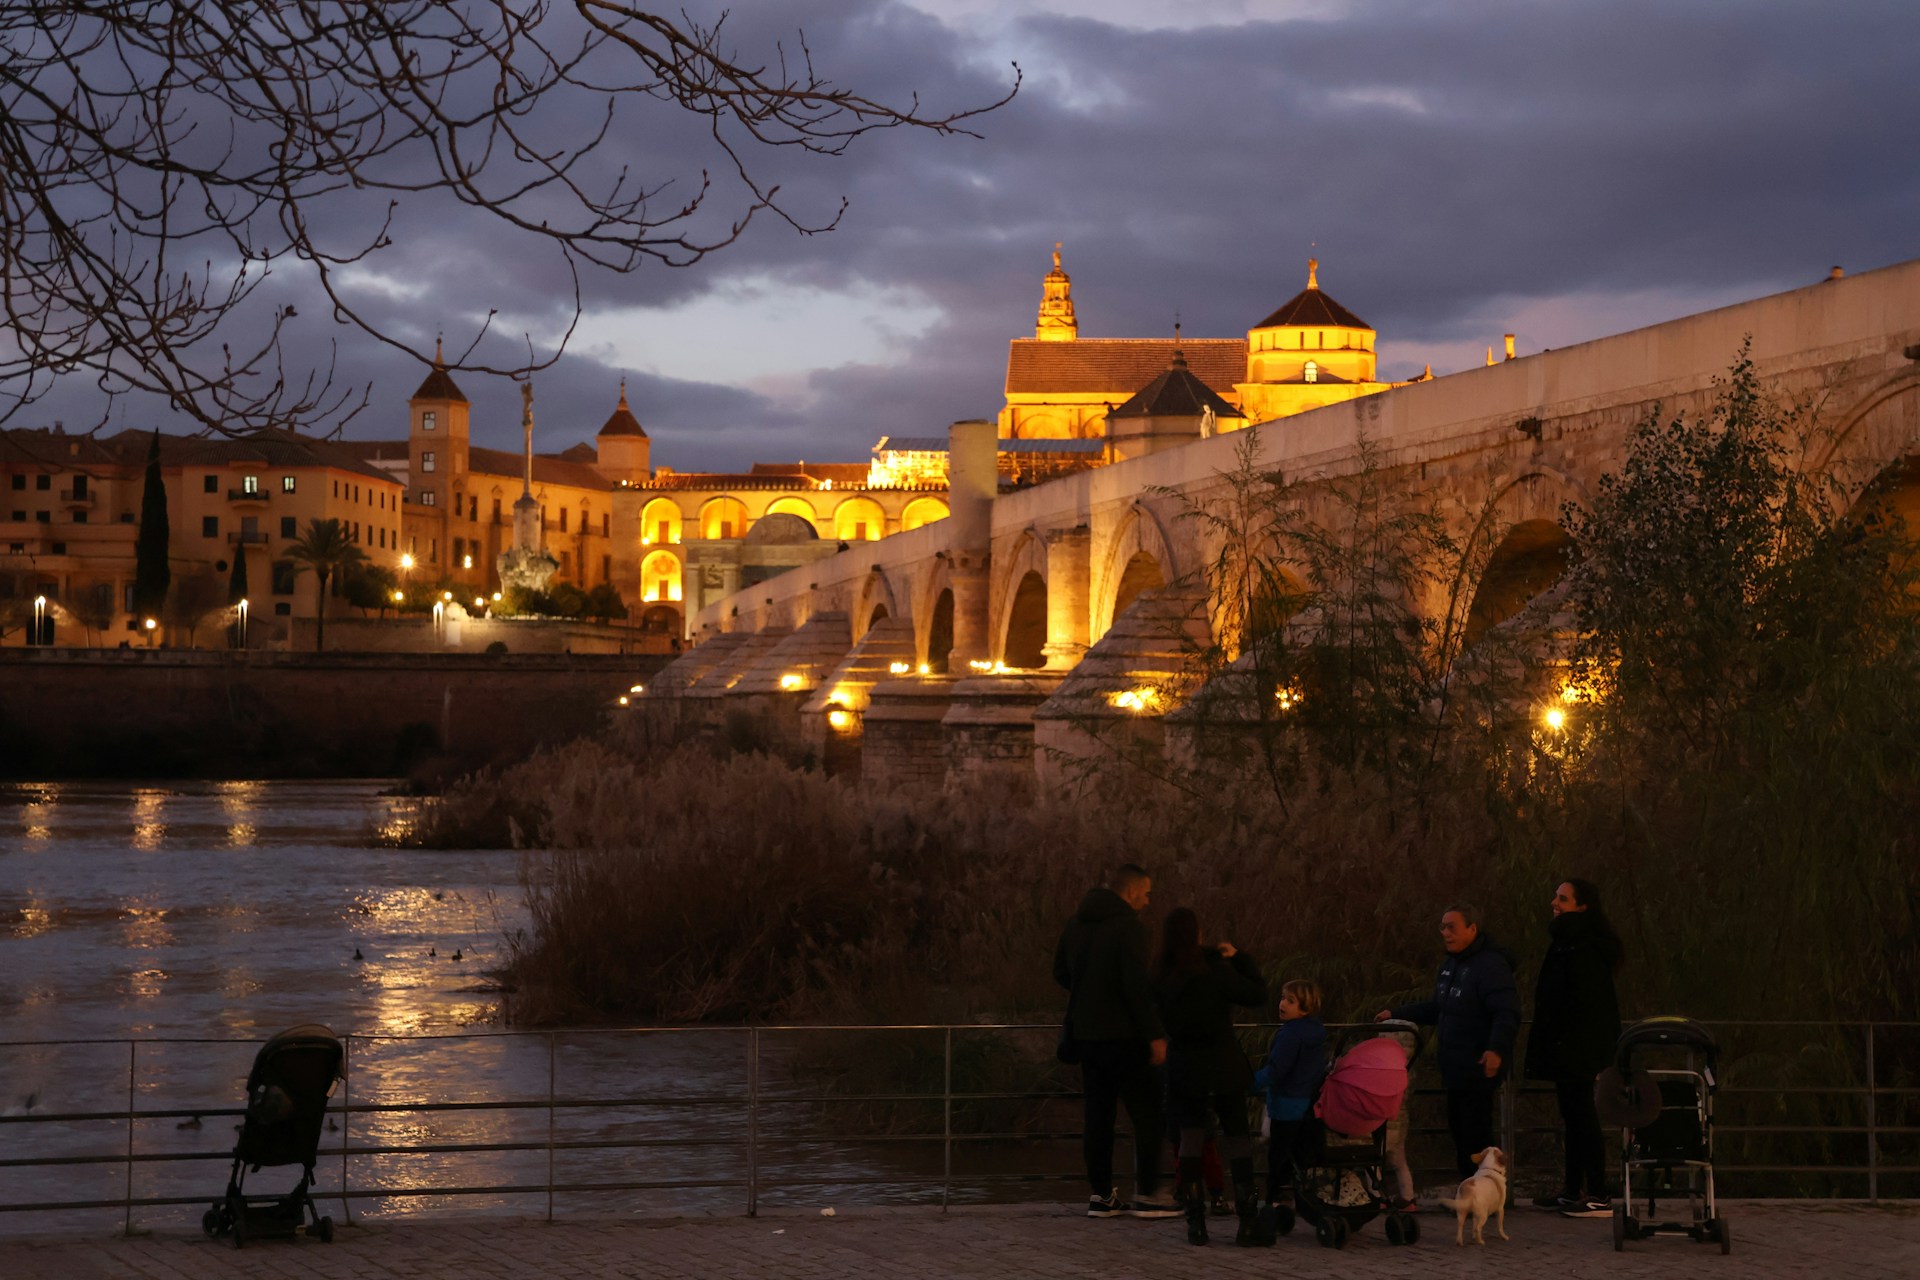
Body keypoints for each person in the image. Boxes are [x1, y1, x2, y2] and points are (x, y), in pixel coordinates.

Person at [1054, 863, 1177, 1219]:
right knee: (1148, 1113)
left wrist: (1090, 995)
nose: (1149, 900)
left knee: (1097, 1116)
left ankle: (1101, 1195)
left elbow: (1060, 972)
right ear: (1131, 891)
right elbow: (1135, 987)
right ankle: (1151, 1194)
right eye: (1147, 892)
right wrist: (1155, 1034)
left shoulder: (1075, 924)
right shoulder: (1130, 929)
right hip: (1126, 1037)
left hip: (1087, 1036)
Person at [1153, 906, 1268, 1246]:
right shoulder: (1215, 971)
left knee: (1190, 1137)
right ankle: (1247, 1222)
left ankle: (1195, 1223)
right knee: (1237, 1136)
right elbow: (1256, 994)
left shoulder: (1160, 976)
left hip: (1186, 1066)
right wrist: (1240, 958)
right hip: (1223, 1062)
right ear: (1198, 935)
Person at [1378, 904, 1520, 1178]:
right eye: (1442, 927)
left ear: (1472, 929)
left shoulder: (1490, 966)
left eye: (1451, 927)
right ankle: (1469, 1185)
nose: (1445, 933)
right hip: (1454, 1064)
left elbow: (1506, 1011)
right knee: (1458, 1126)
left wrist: (1496, 1049)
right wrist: (1396, 1014)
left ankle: (1485, 1189)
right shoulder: (1451, 965)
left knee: (1476, 1129)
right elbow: (1440, 1007)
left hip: (1477, 1060)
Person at [1524, 878, 1624, 1218]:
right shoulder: (1567, 941)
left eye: (1562, 898)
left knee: (1583, 1116)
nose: (1555, 902)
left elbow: (1591, 1003)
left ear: (1582, 906)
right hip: (1567, 1045)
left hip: (1579, 1047)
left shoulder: (1583, 945)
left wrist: (1592, 1051)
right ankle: (1572, 1189)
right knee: (1573, 1115)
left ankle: (1598, 1193)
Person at [1252, 979, 1326, 1212]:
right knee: (1302, 1153)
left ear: (1304, 1007)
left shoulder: (1290, 1035)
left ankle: (1275, 1199)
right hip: (1310, 1103)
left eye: (1290, 1001)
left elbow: (1277, 1070)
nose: (1282, 1003)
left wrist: (1250, 1083)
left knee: (1279, 1154)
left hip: (1286, 1103)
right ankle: (1303, 1195)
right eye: (1283, 998)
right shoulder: (1318, 1032)